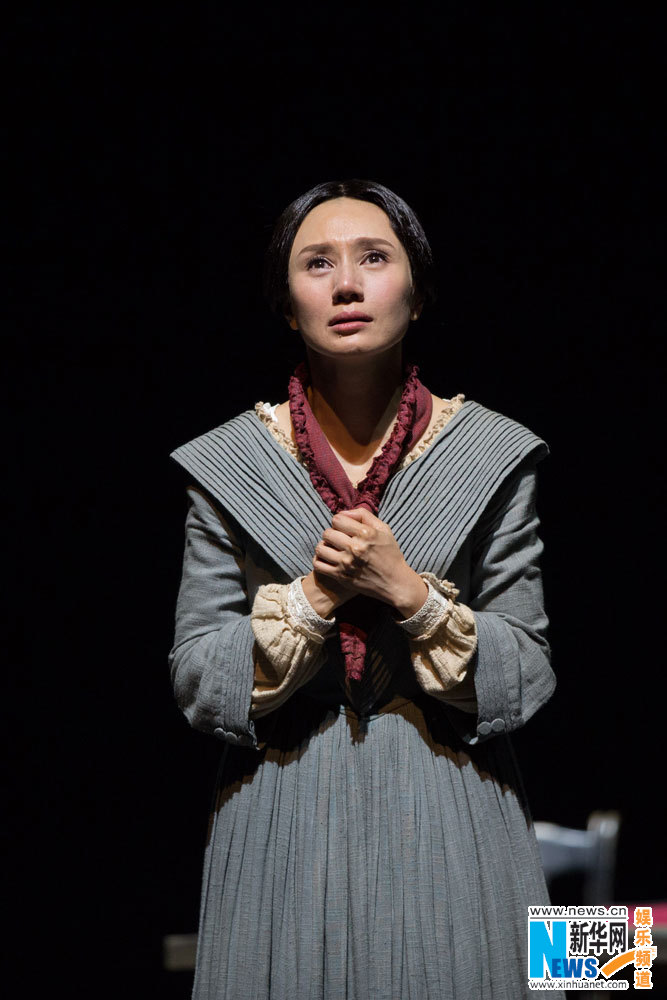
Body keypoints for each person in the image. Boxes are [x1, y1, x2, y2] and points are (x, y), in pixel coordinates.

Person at [168, 179, 561, 999]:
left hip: (454, 806)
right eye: (317, 263)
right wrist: (314, 596)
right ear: (287, 304)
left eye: (373, 258)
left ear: (417, 292)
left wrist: (409, 594)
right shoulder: (227, 464)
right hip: (279, 812)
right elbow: (198, 679)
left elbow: (526, 671)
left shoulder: (493, 453)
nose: (346, 284)